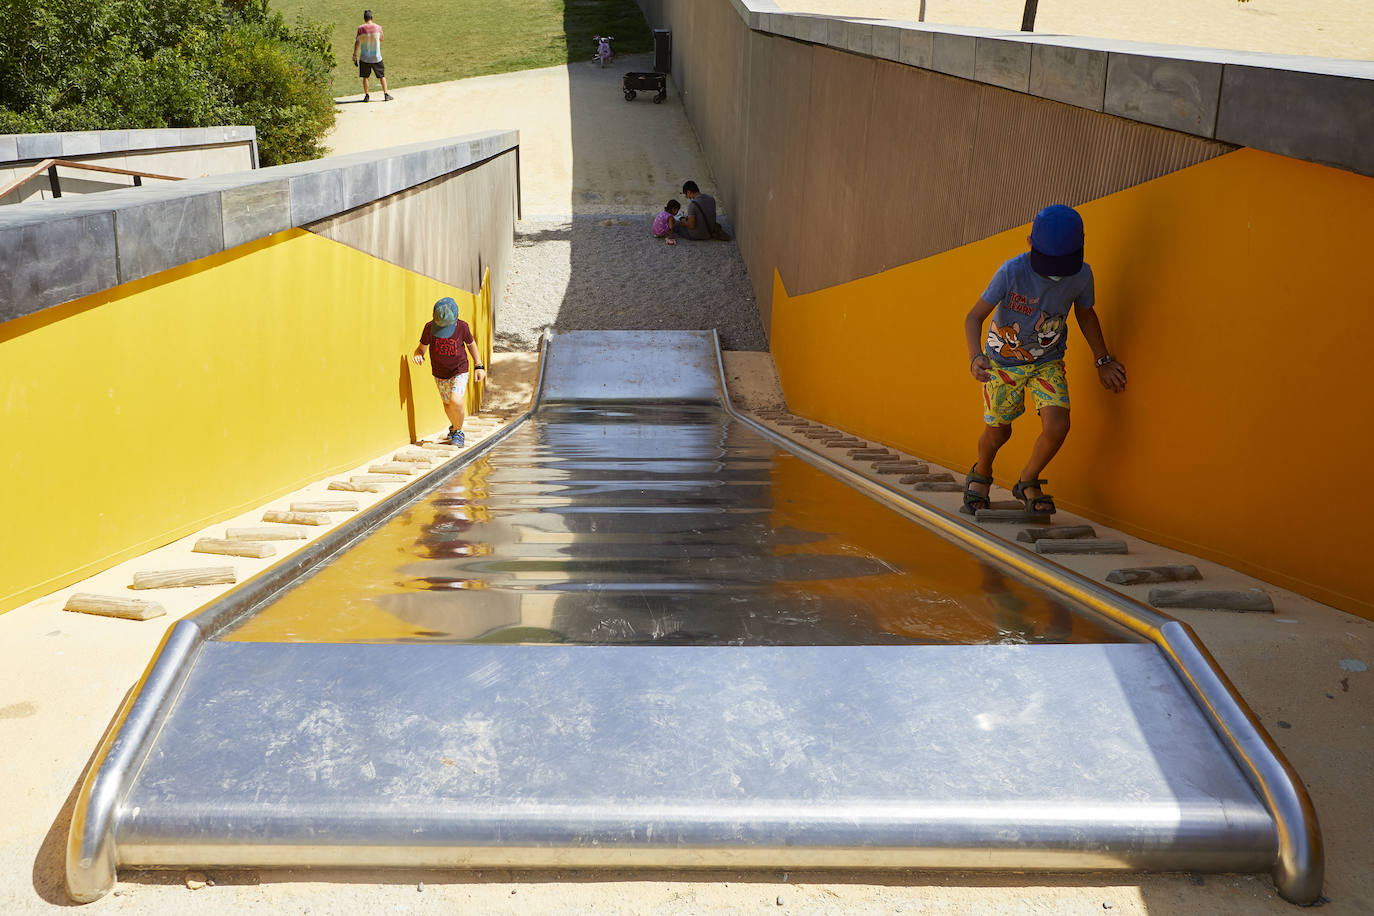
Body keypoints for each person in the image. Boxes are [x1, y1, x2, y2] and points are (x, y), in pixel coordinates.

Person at [962, 204, 1126, 516]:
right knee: (999, 432)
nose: (1055, 272)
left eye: (1062, 263)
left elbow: (1086, 314)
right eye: (1048, 263)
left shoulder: (1081, 275)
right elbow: (973, 317)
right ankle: (981, 470)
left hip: (1046, 362)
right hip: (1002, 363)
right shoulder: (1012, 272)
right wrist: (975, 358)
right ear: (1029, 244)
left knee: (1058, 425)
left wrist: (1102, 360)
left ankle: (1027, 480)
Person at [412, 297, 486, 446]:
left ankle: (459, 432)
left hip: (459, 369)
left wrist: (478, 365)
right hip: (439, 372)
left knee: (455, 400)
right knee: (447, 405)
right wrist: (418, 355)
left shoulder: (462, 327)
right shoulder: (429, 328)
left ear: (456, 319)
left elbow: (471, 345)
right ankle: (454, 427)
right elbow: (421, 348)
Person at [352, 10, 393, 102]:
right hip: (376, 57)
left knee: (365, 77)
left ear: (364, 18)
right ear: (372, 17)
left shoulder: (360, 29)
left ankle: (367, 95)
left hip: (364, 58)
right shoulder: (378, 27)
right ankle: (386, 94)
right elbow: (382, 39)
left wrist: (355, 54)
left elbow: (357, 42)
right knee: (381, 76)